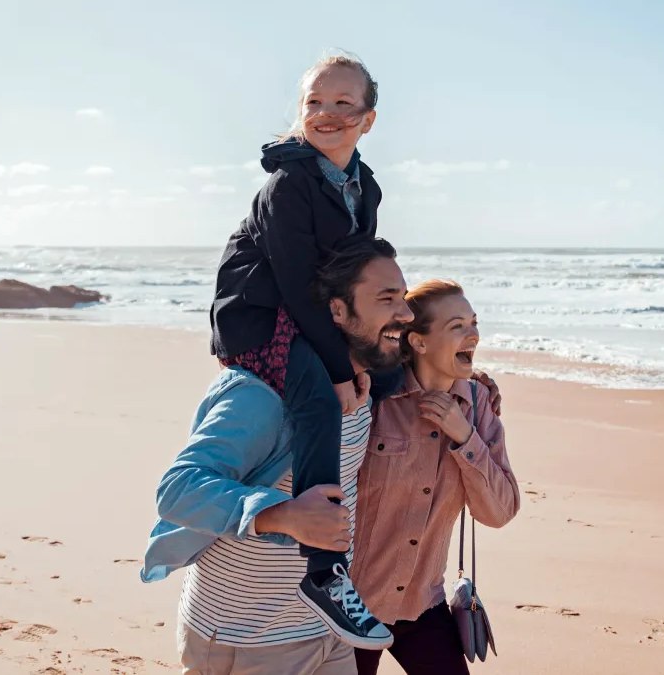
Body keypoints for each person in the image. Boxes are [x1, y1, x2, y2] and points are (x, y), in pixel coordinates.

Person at [143, 239, 411, 674]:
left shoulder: (362, 387)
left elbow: (425, 361)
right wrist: (282, 515)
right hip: (244, 639)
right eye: (387, 298)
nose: (406, 312)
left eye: (403, 296)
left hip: (325, 630)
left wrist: (469, 388)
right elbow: (178, 489)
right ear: (338, 311)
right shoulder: (263, 396)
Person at [208, 52, 389, 645]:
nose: (327, 114)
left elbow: (354, 273)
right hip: (260, 315)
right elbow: (291, 282)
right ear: (300, 111)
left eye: (343, 104)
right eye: (315, 102)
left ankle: (382, 522)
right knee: (318, 397)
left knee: (394, 368)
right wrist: (340, 367)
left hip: (312, 307)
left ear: (368, 118)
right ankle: (325, 573)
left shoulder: (366, 186)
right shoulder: (289, 183)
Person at [351, 280, 521, 675]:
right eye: (457, 325)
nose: (473, 333)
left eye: (474, 322)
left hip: (421, 604)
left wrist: (466, 436)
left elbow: (500, 511)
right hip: (352, 608)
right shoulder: (371, 397)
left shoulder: (478, 406)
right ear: (420, 342)